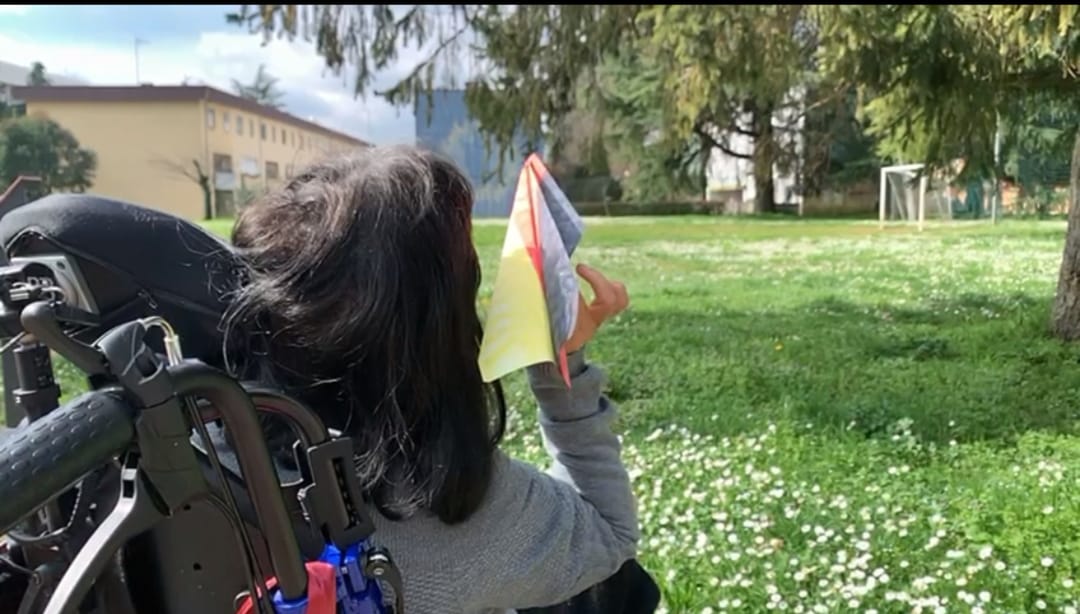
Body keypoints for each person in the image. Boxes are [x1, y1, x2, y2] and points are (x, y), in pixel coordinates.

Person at [222, 144, 650, 613]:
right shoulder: (467, 521)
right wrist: (560, 362)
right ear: (439, 338)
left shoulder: (194, 449)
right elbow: (609, 533)